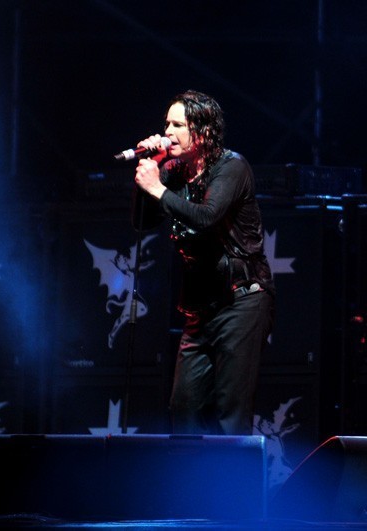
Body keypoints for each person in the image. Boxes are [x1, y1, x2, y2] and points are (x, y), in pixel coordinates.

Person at [132, 89, 275, 435]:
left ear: (202, 131)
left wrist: (158, 189)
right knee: (183, 408)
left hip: (242, 300)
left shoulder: (231, 167)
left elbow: (207, 217)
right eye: (166, 124)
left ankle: (235, 473)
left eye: (177, 125)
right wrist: (151, 173)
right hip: (200, 309)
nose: (167, 132)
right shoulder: (175, 171)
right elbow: (142, 221)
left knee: (230, 413)